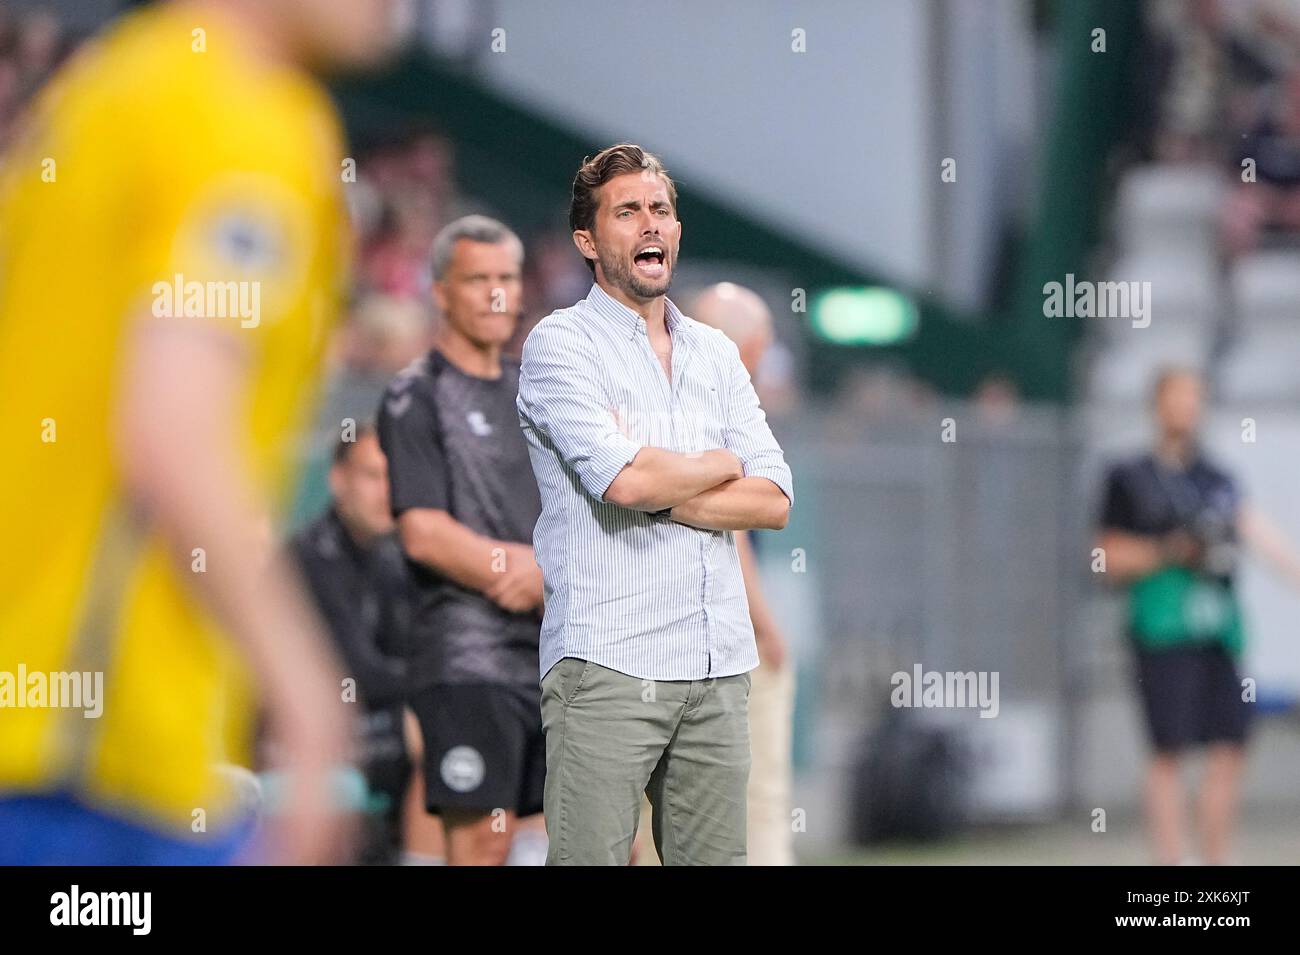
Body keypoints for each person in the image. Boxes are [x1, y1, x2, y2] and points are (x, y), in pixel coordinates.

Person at [0, 0, 400, 864]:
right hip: (89, 766)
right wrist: (307, 702)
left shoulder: (118, 80)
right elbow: (172, 431)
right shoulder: (243, 119)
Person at [517, 144, 794, 866]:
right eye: (628, 211)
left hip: (717, 662)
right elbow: (626, 484)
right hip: (608, 661)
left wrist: (669, 483)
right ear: (587, 240)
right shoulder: (560, 345)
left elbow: (772, 497)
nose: (650, 225)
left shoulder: (716, 353)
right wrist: (718, 464)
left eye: (662, 210)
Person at [377, 215, 547, 866]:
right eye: (478, 280)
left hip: (553, 650)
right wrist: (522, 567)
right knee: (484, 840)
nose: (496, 294)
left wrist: (551, 573)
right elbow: (423, 532)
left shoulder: (539, 394)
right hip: (467, 656)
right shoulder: (414, 396)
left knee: (600, 833)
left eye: (507, 278)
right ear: (441, 291)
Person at [1096, 366, 1300, 865]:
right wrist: (1169, 551)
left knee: (1230, 746)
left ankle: (1215, 869)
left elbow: (1257, 532)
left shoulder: (1217, 478)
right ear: (1157, 404)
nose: (1187, 407)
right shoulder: (1129, 477)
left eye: (1194, 398)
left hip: (1216, 630)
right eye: (1178, 397)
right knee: (1168, 752)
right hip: (1163, 630)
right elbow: (1105, 557)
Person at [288, 426, 415, 865]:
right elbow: (355, 673)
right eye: (371, 476)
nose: (387, 492)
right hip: (314, 739)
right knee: (434, 734)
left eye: (394, 478)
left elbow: (409, 652)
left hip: (375, 725)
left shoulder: (393, 556)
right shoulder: (307, 557)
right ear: (338, 479)